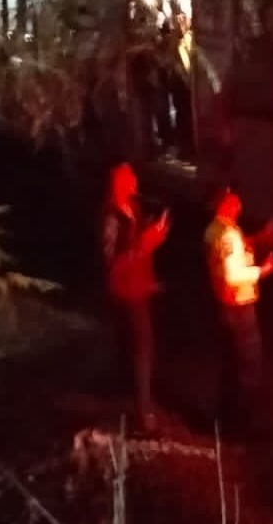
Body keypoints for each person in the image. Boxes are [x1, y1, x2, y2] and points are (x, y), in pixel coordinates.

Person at [204, 187, 273, 438]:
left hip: (225, 305)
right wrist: (265, 270)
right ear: (224, 204)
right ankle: (245, 426)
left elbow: (229, 256)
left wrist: (257, 239)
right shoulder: (228, 234)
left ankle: (226, 418)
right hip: (239, 306)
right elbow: (233, 274)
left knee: (231, 363)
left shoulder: (215, 230)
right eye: (232, 196)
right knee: (249, 364)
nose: (238, 199)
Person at [99, 162, 170, 433]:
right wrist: (144, 244)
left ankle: (136, 398)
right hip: (126, 291)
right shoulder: (111, 218)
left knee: (138, 346)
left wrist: (153, 237)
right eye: (130, 177)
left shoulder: (134, 208)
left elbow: (139, 248)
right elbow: (113, 263)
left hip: (140, 287)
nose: (136, 181)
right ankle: (144, 411)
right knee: (141, 347)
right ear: (119, 183)